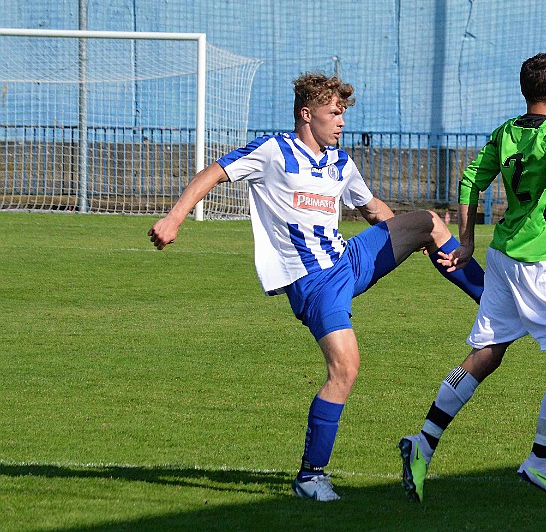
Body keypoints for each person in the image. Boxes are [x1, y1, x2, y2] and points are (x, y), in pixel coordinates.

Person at [148, 72, 484, 502]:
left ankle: (491, 298)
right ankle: (310, 476)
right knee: (345, 368)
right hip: (312, 282)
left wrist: (405, 236)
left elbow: (371, 207)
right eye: (334, 113)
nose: (341, 122)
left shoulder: (340, 162)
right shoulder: (274, 151)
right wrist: (175, 217)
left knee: (428, 223)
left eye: (343, 113)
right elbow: (213, 172)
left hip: (348, 260)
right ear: (307, 115)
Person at [398, 53, 546, 503]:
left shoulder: (505, 132)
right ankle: (539, 459)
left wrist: (467, 241)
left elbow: (470, 181)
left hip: (500, 255)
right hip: (534, 263)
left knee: (487, 353)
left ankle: (423, 443)